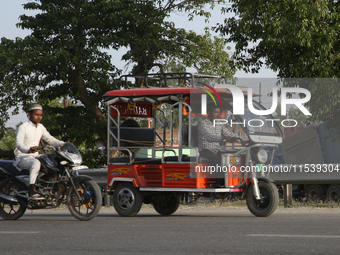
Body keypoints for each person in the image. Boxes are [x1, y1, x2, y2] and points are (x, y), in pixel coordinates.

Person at [14, 104, 66, 200]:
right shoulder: (23, 127)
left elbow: (50, 140)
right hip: (23, 157)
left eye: (41, 115)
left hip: (35, 156)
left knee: (51, 159)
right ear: (30, 114)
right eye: (36, 115)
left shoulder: (41, 127)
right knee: (36, 163)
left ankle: (47, 187)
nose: (39, 117)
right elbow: (18, 144)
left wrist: (64, 144)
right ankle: (32, 190)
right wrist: (28, 150)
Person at [198, 103, 247, 185]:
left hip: (216, 150)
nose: (218, 114)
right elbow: (209, 137)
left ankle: (236, 182)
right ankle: (220, 184)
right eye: (216, 112)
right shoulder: (203, 124)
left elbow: (229, 134)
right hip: (205, 151)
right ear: (209, 113)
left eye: (219, 112)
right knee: (219, 161)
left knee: (234, 157)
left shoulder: (219, 124)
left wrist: (242, 139)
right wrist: (223, 139)